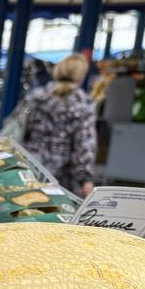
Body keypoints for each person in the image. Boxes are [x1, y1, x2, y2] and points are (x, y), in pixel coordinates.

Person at [20, 53, 97, 197]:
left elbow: (20, 129)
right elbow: (84, 144)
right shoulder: (83, 103)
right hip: (62, 177)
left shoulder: (36, 96)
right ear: (80, 75)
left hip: (30, 167)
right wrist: (86, 178)